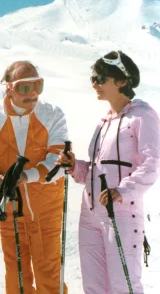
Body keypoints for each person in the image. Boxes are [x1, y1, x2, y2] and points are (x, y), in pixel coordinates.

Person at [56, 51, 159, 293]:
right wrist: (75, 166)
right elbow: (95, 171)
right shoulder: (104, 122)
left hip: (120, 212)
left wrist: (123, 191)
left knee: (122, 285)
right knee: (94, 286)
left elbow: (152, 162)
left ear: (122, 81)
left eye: (101, 78)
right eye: (93, 78)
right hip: (90, 213)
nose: (95, 83)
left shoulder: (142, 115)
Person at [0, 61, 69, 293]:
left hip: (47, 209)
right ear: (8, 87)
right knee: (16, 273)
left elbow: (59, 158)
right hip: (9, 209)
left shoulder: (51, 115)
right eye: (23, 87)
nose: (32, 94)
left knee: (48, 271)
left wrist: (27, 176)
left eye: (37, 86)